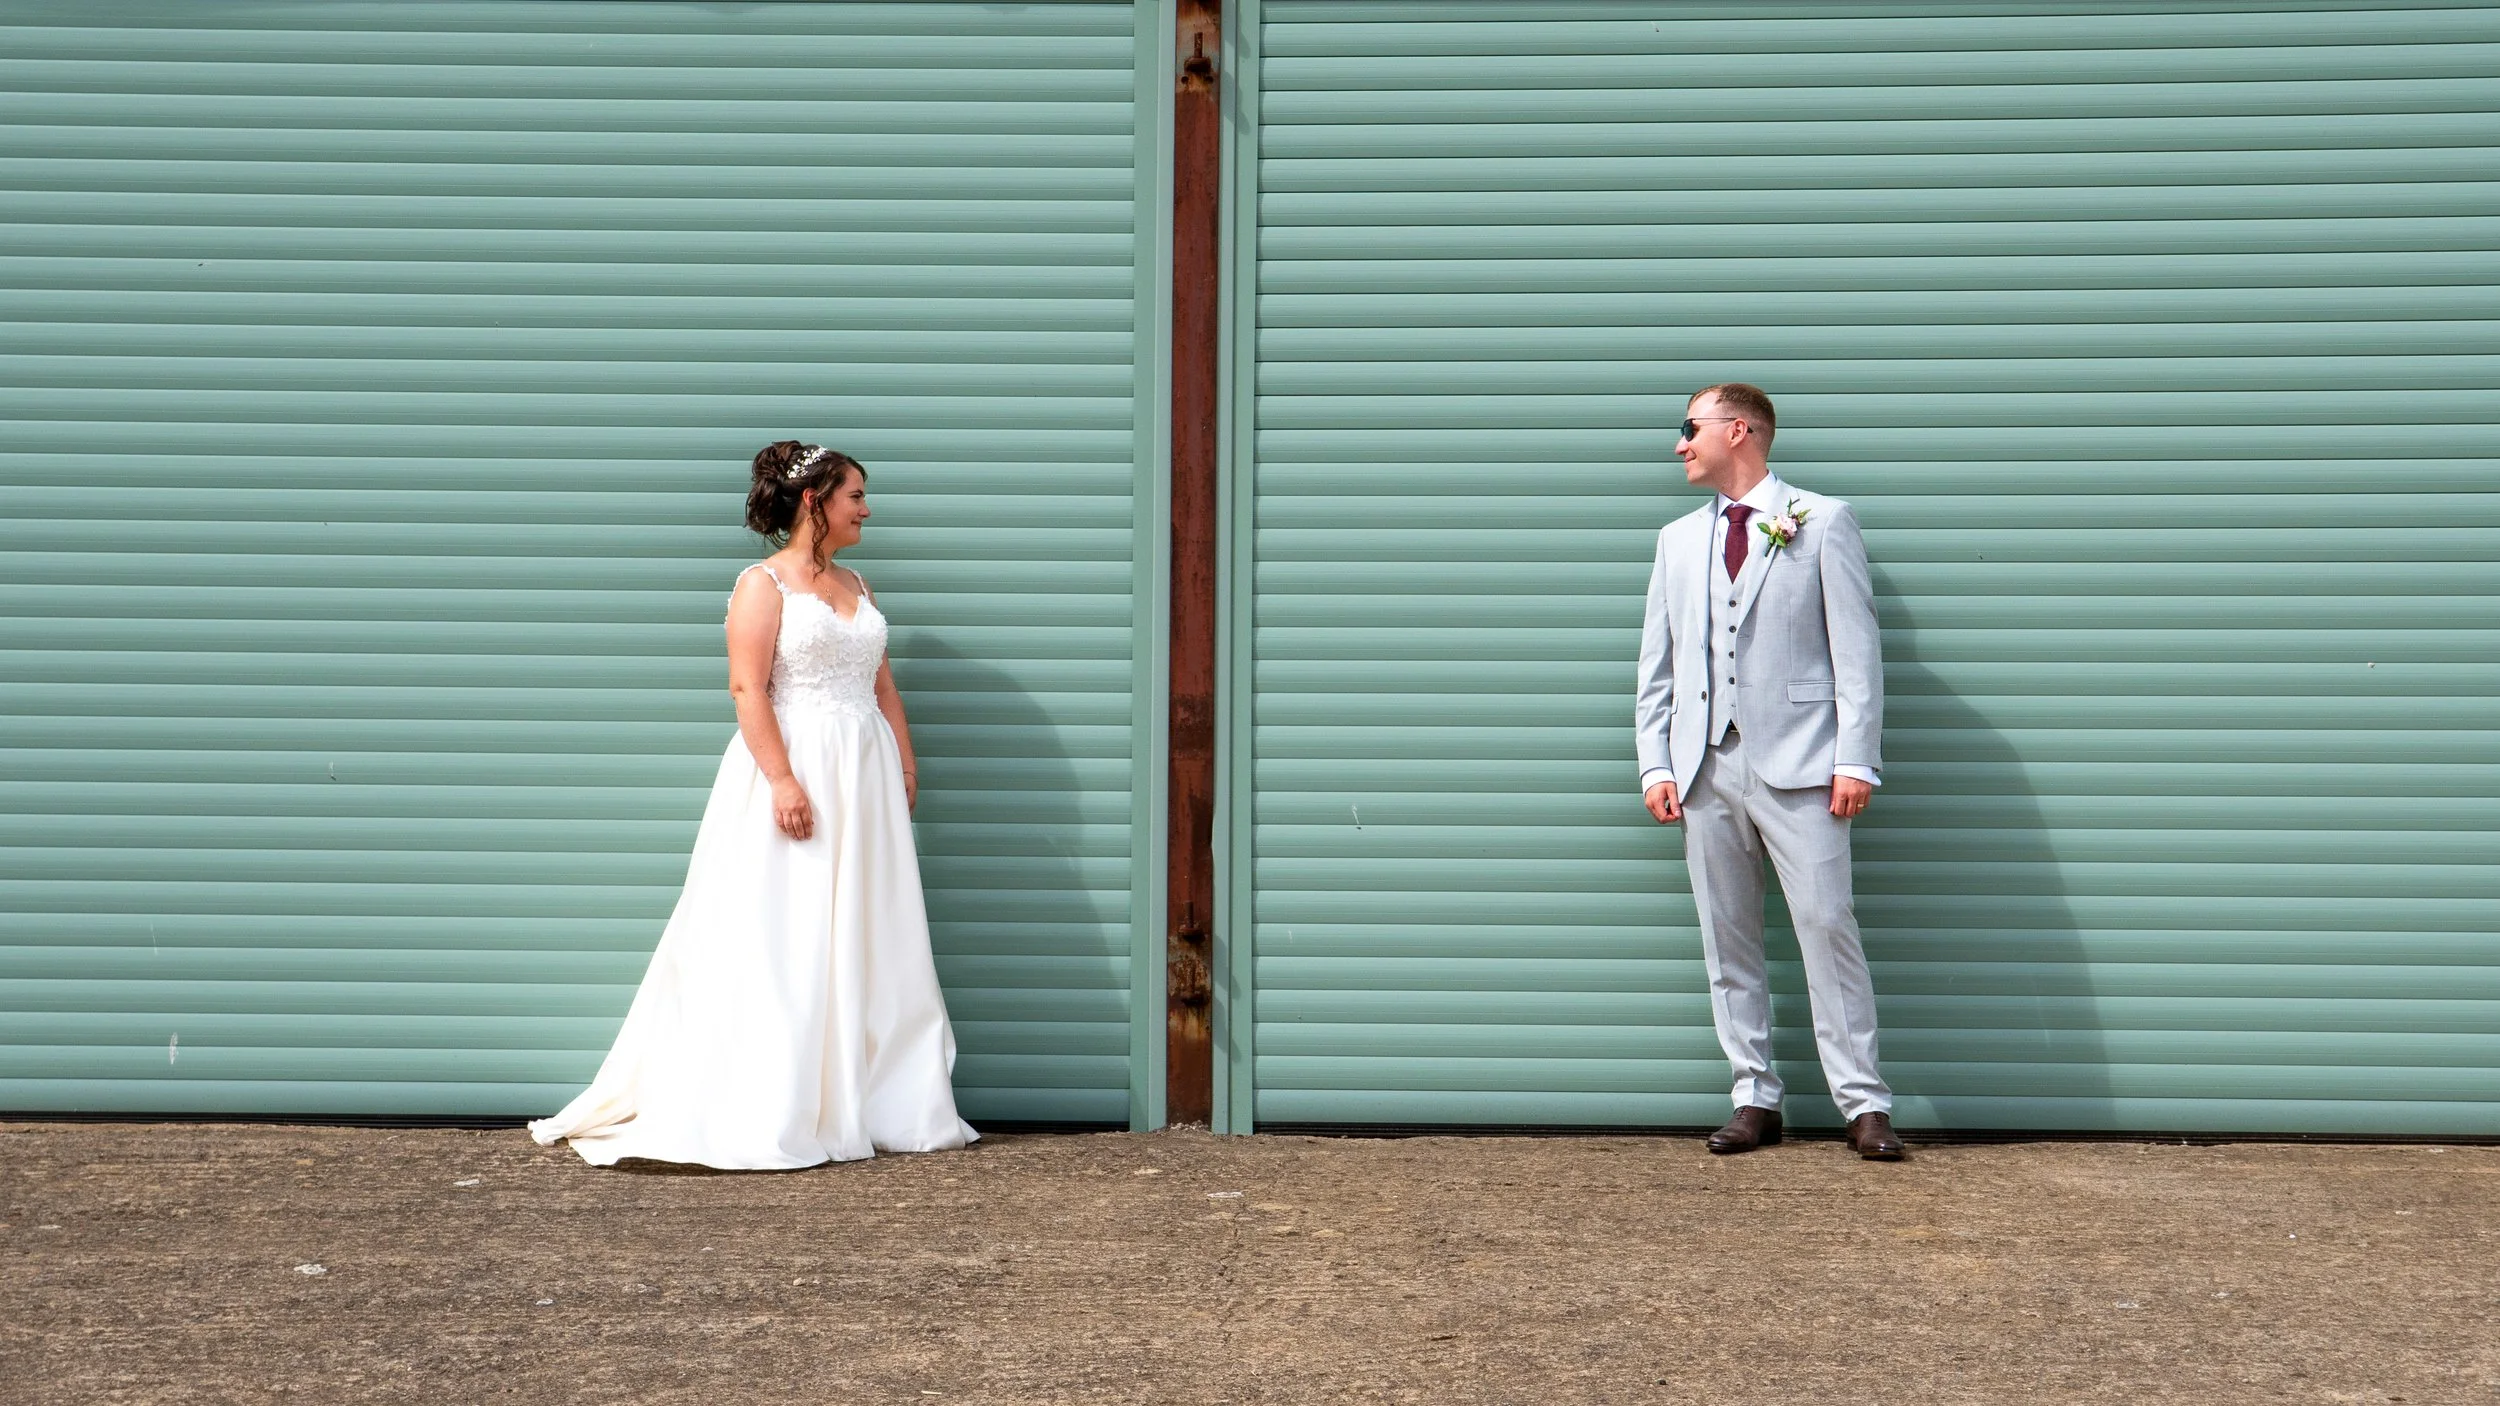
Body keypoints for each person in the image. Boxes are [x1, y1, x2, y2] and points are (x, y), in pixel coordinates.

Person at [530, 441, 978, 1168]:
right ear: (814, 502)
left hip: (862, 774)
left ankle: (878, 1097)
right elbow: (747, 689)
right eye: (855, 496)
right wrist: (782, 781)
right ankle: (781, 1097)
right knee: (788, 930)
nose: (866, 509)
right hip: (798, 766)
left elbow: (882, 684)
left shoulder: (858, 584)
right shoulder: (761, 586)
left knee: (868, 927)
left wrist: (904, 759)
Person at [1634, 385, 1904, 1160]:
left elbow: (1857, 654)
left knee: (1827, 927)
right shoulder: (1676, 541)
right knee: (1728, 938)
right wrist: (1656, 760)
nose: (1680, 444)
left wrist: (1856, 756)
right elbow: (1660, 664)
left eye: (1690, 429)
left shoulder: (1823, 522)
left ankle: (1864, 1104)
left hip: (1805, 765)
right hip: (1704, 767)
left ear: (1738, 430)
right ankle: (1754, 1094)